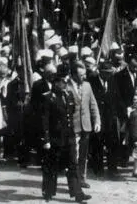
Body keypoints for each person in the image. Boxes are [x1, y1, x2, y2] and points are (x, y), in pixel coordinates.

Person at [41, 71, 91, 203]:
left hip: (68, 136)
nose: (64, 85)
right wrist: (46, 139)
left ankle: (77, 193)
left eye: (65, 82)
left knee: (73, 164)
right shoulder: (48, 97)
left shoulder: (68, 95)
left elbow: (72, 110)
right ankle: (48, 191)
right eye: (62, 82)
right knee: (52, 165)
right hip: (54, 137)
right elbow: (44, 120)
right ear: (55, 83)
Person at [68, 61, 101, 188]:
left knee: (83, 155)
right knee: (74, 156)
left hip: (86, 126)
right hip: (73, 127)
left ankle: (82, 179)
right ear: (73, 75)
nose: (84, 77)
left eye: (85, 74)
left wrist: (97, 121)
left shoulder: (87, 85)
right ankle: (74, 181)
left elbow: (93, 104)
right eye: (81, 75)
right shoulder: (66, 87)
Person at [88, 61, 120, 178]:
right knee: (98, 144)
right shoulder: (92, 82)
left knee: (112, 143)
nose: (108, 75)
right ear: (100, 72)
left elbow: (117, 98)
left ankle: (113, 169)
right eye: (106, 73)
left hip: (110, 118)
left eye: (110, 73)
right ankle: (98, 169)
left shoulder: (112, 81)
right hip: (98, 118)